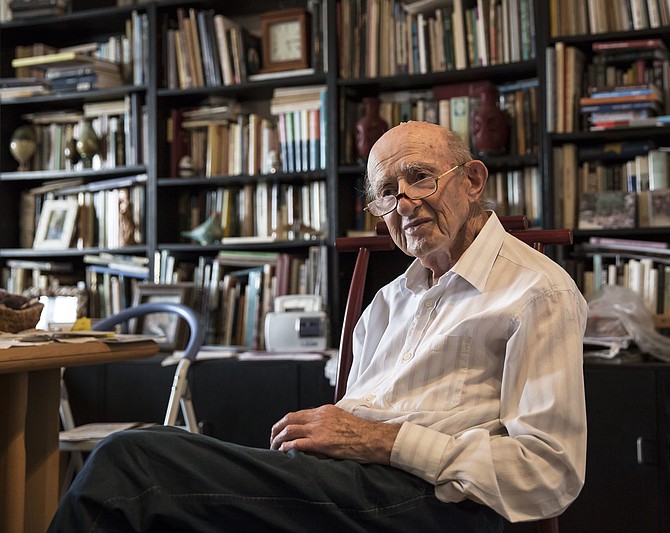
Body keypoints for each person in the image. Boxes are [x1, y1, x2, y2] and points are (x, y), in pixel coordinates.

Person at [49, 121, 587, 532]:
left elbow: (547, 472)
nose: (404, 204)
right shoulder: (389, 300)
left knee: (131, 464)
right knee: (154, 462)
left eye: (420, 177)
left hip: (437, 504)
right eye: (386, 192)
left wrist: (384, 442)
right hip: (350, 486)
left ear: (471, 181)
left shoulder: (537, 290)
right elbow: (353, 426)